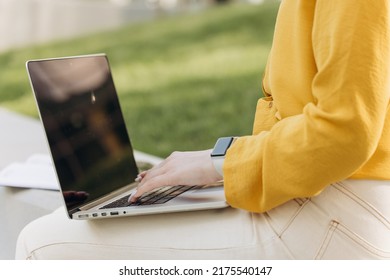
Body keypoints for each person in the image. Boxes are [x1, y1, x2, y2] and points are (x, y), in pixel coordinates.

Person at [16, 0, 390, 259]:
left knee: (42, 244)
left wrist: (221, 166)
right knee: (67, 225)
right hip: (324, 195)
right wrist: (220, 161)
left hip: (337, 216)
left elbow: (345, 132)